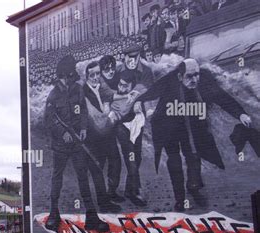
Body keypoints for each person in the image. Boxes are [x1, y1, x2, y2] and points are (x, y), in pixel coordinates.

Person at [135, 58, 252, 212]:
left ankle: (194, 187)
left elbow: (222, 97)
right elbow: (152, 92)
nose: (194, 79)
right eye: (189, 76)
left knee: (193, 157)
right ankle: (180, 199)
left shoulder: (204, 80)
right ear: (179, 76)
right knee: (174, 161)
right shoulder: (170, 80)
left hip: (191, 126)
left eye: (196, 75)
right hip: (168, 126)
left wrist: (241, 114)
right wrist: (138, 101)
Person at [44, 55, 109, 233]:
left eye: (70, 77)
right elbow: (48, 120)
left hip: (77, 143)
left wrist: (83, 128)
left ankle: (91, 216)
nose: (68, 81)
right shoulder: (53, 95)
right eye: (66, 77)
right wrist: (63, 132)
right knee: (57, 178)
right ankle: (53, 213)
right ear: (62, 76)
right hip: (60, 146)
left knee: (83, 177)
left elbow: (83, 110)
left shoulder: (77, 89)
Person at [83, 61, 123, 212]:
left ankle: (111, 191)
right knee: (97, 167)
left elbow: (112, 96)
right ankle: (103, 202)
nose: (95, 77)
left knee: (116, 161)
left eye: (97, 74)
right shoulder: (83, 90)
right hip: (93, 136)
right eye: (92, 75)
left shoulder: (102, 86)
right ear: (87, 76)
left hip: (107, 132)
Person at [109, 70, 147, 207]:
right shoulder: (116, 98)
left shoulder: (137, 89)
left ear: (132, 85)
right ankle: (136, 191)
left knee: (137, 158)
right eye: (120, 85)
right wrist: (133, 101)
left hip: (137, 124)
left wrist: (138, 98)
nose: (122, 88)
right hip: (122, 128)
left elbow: (144, 87)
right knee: (131, 158)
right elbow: (120, 111)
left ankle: (128, 190)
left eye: (126, 86)